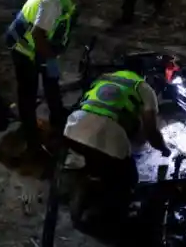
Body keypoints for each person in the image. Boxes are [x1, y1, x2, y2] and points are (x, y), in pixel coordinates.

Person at [63, 69, 171, 236]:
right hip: (108, 131)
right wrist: (163, 149)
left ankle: (77, 213)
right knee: (128, 177)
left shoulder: (105, 77)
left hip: (73, 126)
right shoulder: (144, 88)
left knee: (85, 167)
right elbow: (151, 131)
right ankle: (115, 221)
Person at [3, 0, 94, 157]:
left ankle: (57, 115)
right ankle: (31, 139)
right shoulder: (53, 1)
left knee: (52, 81)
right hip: (24, 49)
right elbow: (37, 34)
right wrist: (48, 57)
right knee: (28, 91)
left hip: (42, 48)